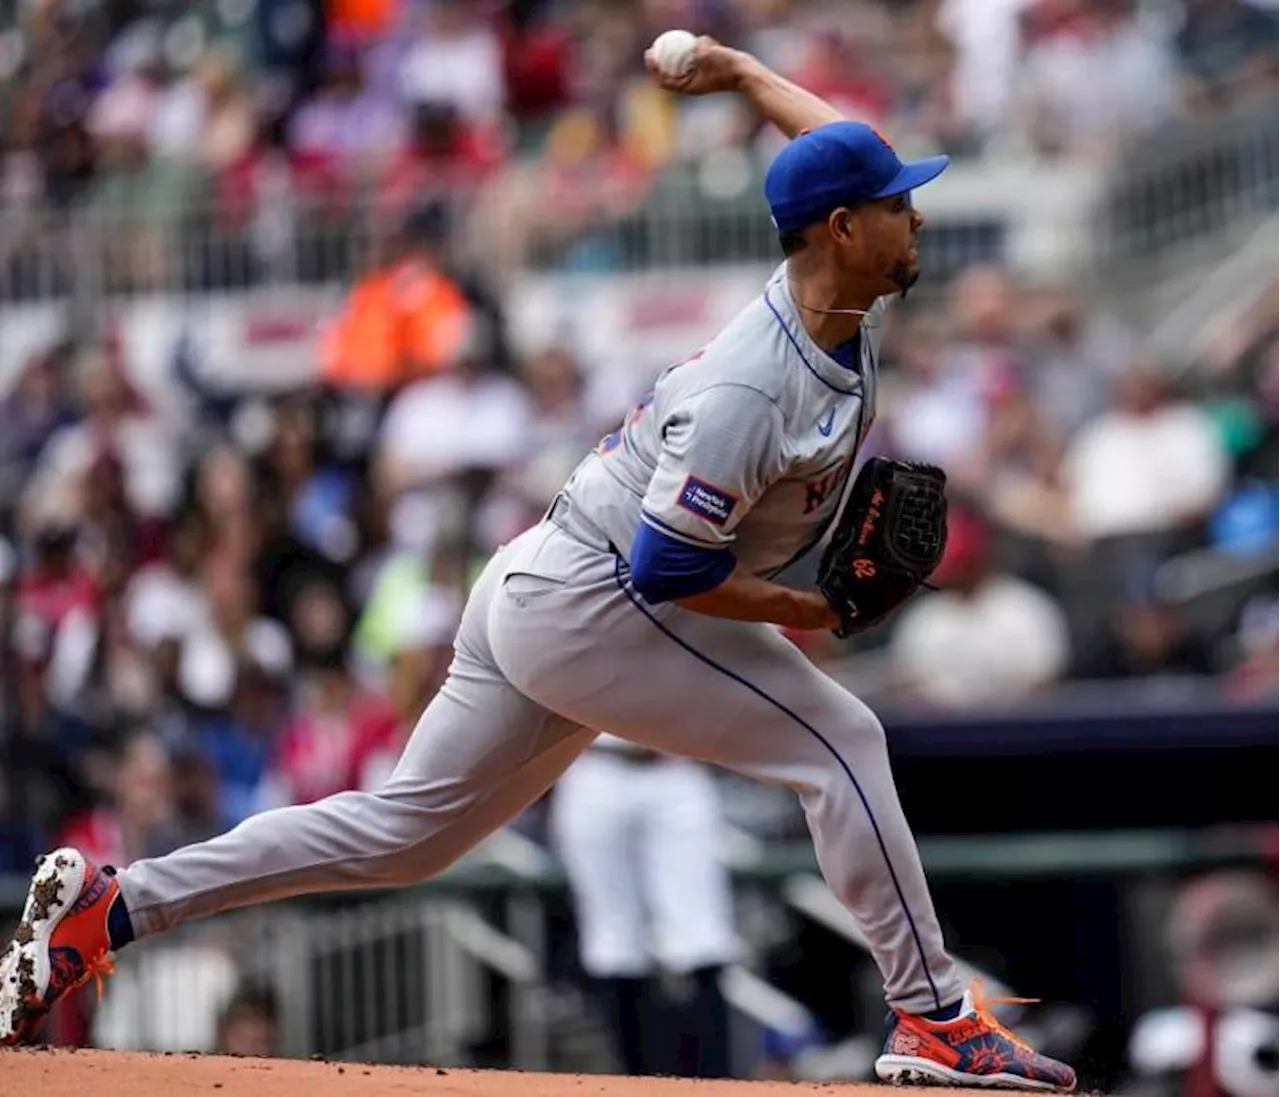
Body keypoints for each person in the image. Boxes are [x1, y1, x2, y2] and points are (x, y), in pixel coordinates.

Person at [0, 36, 1076, 1090]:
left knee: (403, 836)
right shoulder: (751, 389)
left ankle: (119, 904)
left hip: (544, 577)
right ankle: (933, 1013)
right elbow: (665, 569)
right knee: (839, 740)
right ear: (842, 230)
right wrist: (808, 606)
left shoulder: (834, 280)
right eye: (895, 202)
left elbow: (836, 141)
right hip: (601, 598)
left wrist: (743, 74)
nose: (915, 210)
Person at [551, 735, 737, 1078]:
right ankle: (632, 1079)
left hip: (675, 764)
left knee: (700, 935)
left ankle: (715, 1081)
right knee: (611, 936)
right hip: (595, 764)